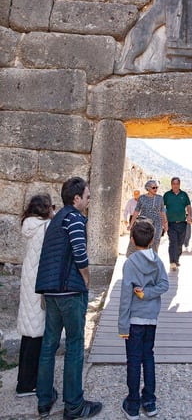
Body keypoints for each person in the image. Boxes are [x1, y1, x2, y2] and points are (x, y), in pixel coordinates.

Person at [35, 177, 102, 420]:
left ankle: (44, 401)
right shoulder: (74, 218)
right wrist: (86, 277)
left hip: (51, 292)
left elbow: (48, 257)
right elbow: (80, 252)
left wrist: (44, 290)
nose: (88, 200)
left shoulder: (55, 221)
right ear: (76, 198)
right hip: (70, 292)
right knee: (75, 346)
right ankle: (74, 405)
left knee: (48, 345)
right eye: (87, 196)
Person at [118, 220, 169, 420]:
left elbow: (125, 297)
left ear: (132, 240)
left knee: (133, 360)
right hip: (151, 319)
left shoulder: (130, 263)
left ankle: (132, 404)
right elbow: (164, 285)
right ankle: (149, 402)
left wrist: (122, 324)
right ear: (152, 240)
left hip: (133, 320)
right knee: (148, 357)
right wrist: (148, 293)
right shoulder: (157, 261)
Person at [16, 194, 55, 397]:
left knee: (28, 332)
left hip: (28, 280)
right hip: (39, 283)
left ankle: (23, 379)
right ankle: (27, 384)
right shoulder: (45, 228)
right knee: (36, 334)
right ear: (45, 209)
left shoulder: (29, 226)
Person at [127, 180, 168, 256]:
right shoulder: (142, 198)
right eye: (153, 187)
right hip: (145, 223)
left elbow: (162, 211)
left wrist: (165, 223)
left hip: (157, 223)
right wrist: (131, 224)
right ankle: (142, 259)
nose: (156, 189)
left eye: (157, 187)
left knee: (155, 242)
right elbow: (136, 211)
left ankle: (153, 259)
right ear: (148, 188)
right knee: (144, 242)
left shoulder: (160, 198)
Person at [163, 177, 191, 271]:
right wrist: (164, 222)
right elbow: (162, 208)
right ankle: (172, 262)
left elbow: (188, 206)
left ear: (179, 184)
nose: (175, 185)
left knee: (180, 243)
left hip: (182, 223)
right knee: (173, 242)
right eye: (174, 184)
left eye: (177, 184)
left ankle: (176, 259)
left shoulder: (184, 195)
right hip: (171, 223)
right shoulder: (167, 195)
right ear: (171, 184)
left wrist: (189, 216)